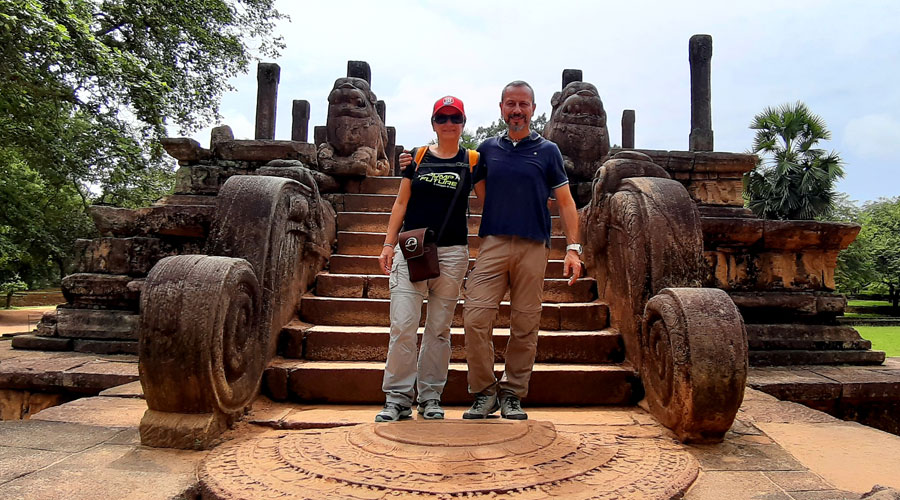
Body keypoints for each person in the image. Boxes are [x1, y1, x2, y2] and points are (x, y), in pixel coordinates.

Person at [461, 80, 584, 420]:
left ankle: (512, 392)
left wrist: (572, 248)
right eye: (510, 104)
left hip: (533, 245)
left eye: (523, 104)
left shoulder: (548, 151)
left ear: (533, 108)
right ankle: (485, 392)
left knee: (525, 322)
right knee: (475, 318)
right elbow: (481, 194)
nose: (517, 110)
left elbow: (565, 201)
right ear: (501, 107)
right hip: (494, 243)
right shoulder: (486, 149)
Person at [375, 96, 475, 422]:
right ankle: (397, 398)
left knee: (439, 330)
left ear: (462, 123)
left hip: (452, 253)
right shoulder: (416, 158)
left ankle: (430, 396)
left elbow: (491, 198)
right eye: (442, 118)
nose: (449, 124)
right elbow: (401, 204)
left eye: (454, 118)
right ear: (434, 123)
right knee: (403, 325)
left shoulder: (471, 161)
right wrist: (388, 245)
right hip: (412, 249)